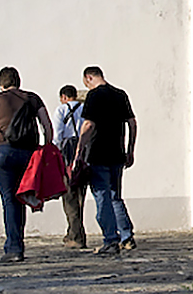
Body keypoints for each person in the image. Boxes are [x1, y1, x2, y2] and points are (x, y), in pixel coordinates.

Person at [0, 66, 54, 262]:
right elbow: (47, 125)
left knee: (9, 200)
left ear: (1, 83)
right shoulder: (32, 98)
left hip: (3, 153)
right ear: (18, 81)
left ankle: (14, 248)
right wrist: (45, 148)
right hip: (29, 154)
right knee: (21, 198)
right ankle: (18, 243)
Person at [74, 66, 136, 255]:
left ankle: (110, 240)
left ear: (89, 77)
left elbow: (88, 124)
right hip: (117, 153)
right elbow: (132, 123)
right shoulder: (120, 95)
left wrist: (79, 151)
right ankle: (126, 236)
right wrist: (130, 150)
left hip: (98, 154)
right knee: (115, 196)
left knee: (102, 197)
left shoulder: (94, 96)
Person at [53, 84, 87, 248]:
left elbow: (57, 135)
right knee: (80, 195)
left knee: (69, 195)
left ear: (64, 97)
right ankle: (73, 231)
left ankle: (76, 236)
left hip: (67, 153)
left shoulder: (61, 110)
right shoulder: (85, 109)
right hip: (83, 152)